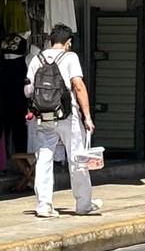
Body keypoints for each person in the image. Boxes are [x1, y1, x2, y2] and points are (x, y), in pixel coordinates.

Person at [25, 24, 100, 219]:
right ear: (68, 43)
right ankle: (83, 204)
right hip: (68, 116)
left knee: (44, 158)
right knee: (77, 158)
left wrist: (34, 110)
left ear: (50, 41)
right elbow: (78, 86)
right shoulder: (70, 57)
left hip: (44, 117)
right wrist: (88, 116)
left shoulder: (36, 59)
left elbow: (28, 91)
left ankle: (43, 205)